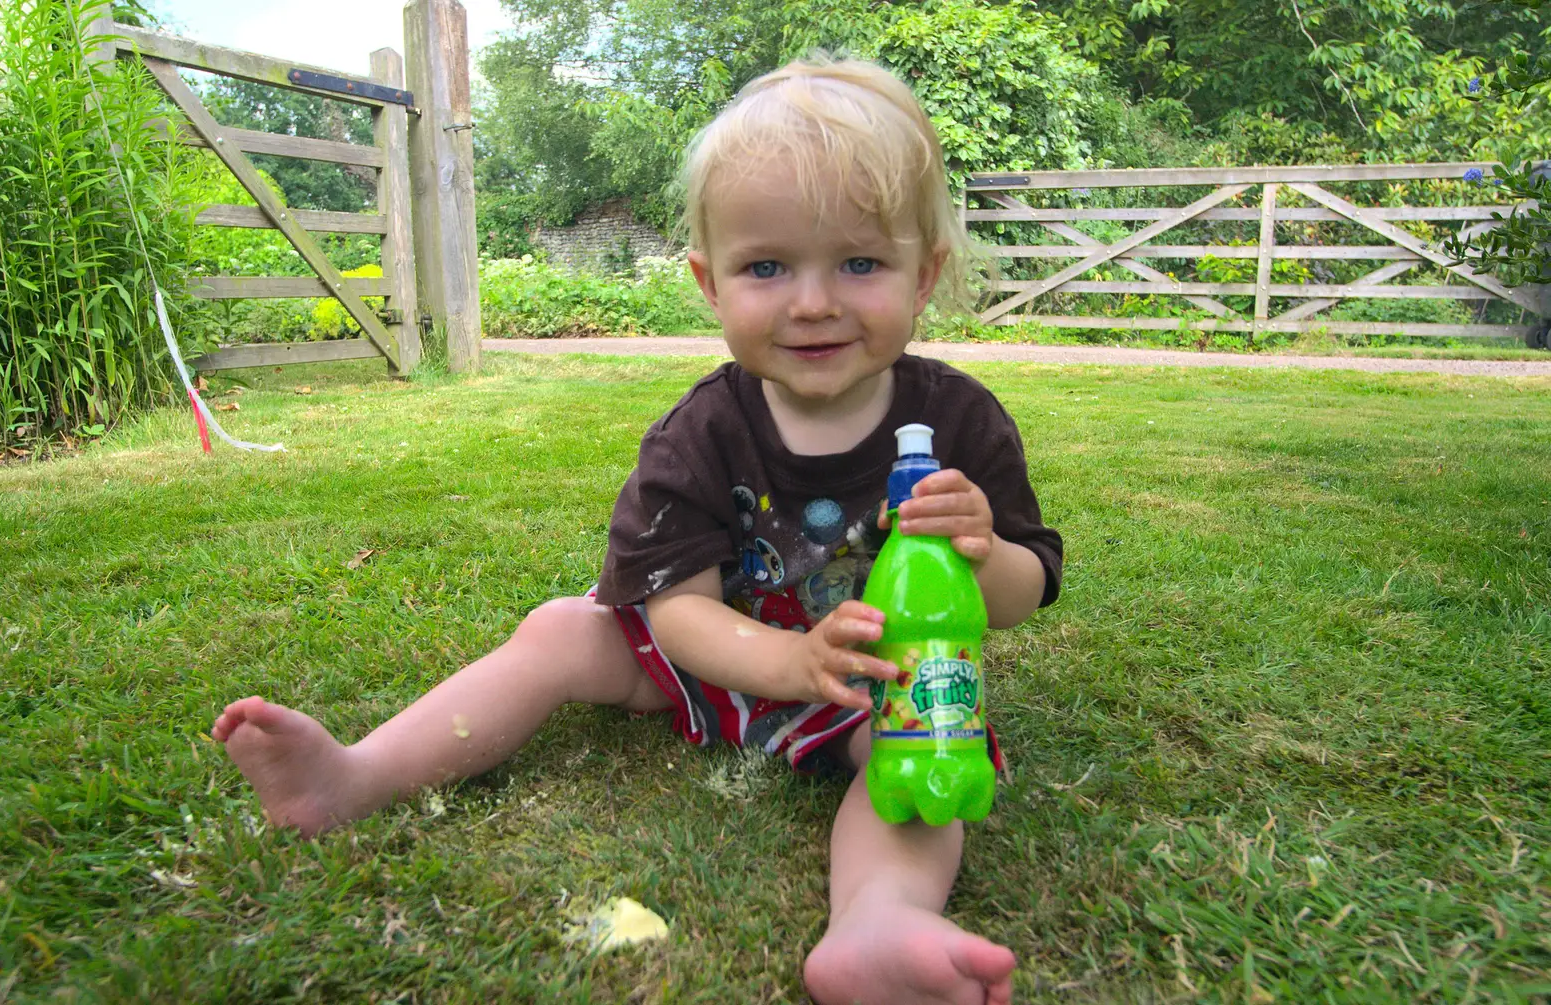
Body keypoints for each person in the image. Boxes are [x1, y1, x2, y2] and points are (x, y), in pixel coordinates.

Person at [212, 55, 1063, 1005]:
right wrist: (786, 663)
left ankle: (875, 921)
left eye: (860, 262)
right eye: (767, 266)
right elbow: (676, 613)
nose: (813, 300)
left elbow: (1023, 594)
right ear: (709, 281)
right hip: (713, 661)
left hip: (874, 685)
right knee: (561, 629)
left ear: (925, 272)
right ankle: (357, 775)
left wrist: (983, 552)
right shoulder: (702, 432)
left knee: (929, 743)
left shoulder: (963, 424)